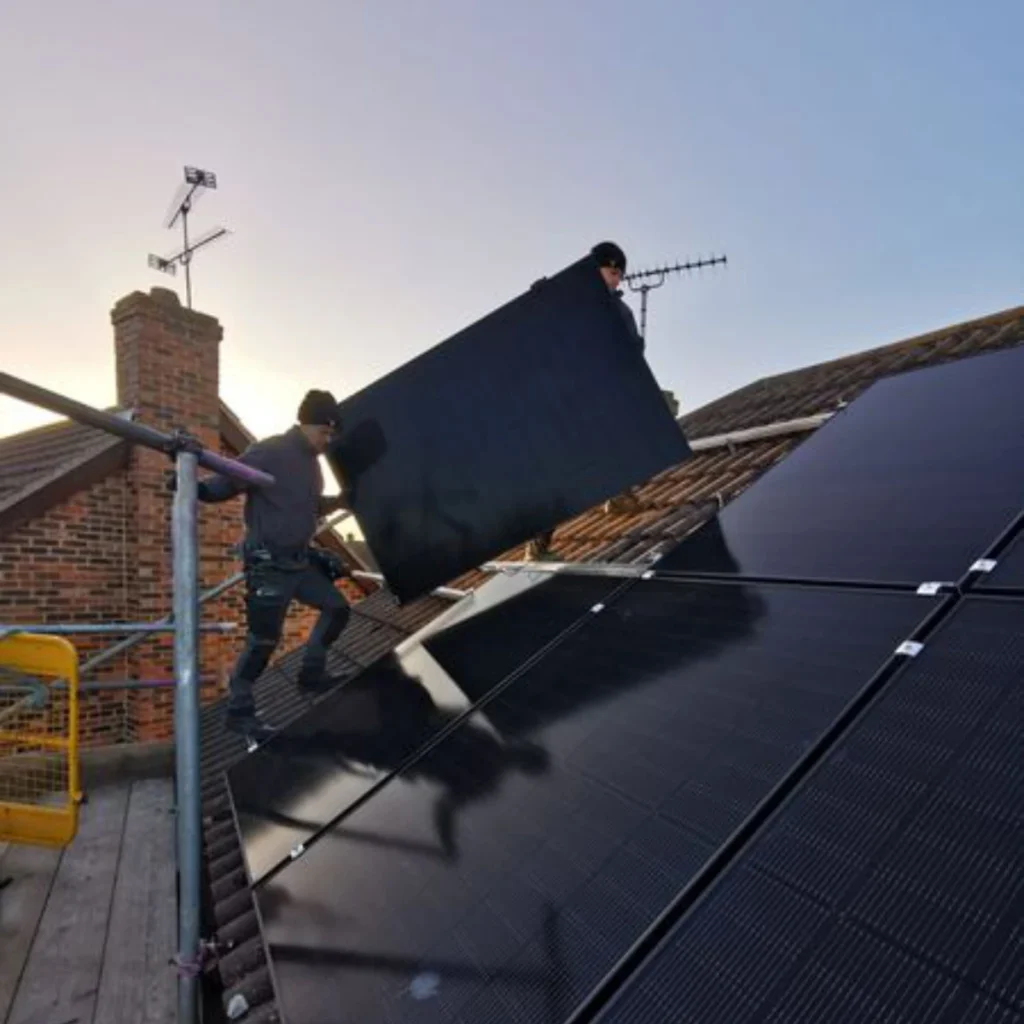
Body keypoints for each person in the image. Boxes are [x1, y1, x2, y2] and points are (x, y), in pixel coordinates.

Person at [182, 389, 352, 739]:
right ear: (308, 424)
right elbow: (227, 481)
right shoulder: (271, 451)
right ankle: (239, 713)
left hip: (297, 562)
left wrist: (336, 503)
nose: (327, 441)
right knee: (263, 641)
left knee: (337, 607)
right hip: (269, 566)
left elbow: (306, 505)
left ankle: (311, 674)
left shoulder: (311, 464)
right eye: (325, 433)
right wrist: (191, 485)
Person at [525, 241, 645, 561]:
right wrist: (540, 299)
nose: (616, 280)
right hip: (564, 399)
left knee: (624, 429)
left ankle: (617, 490)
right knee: (559, 472)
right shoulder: (565, 304)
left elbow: (628, 358)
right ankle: (537, 547)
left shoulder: (620, 312)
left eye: (619, 275)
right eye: (611, 272)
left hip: (598, 398)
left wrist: (634, 348)